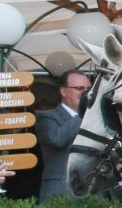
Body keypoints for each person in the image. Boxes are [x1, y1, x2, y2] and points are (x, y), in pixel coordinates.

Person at [37, 70, 92, 201]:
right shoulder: (47, 116)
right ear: (63, 92)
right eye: (79, 88)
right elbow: (56, 139)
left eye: (88, 89)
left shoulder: (94, 119)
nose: (85, 93)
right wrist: (84, 114)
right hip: (61, 192)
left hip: (93, 192)